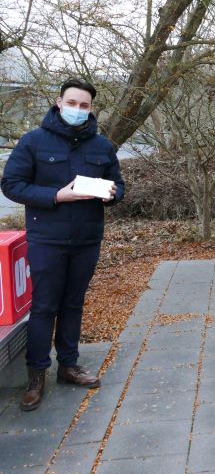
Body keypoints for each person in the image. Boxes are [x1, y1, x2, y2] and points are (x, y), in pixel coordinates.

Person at [1, 78, 124, 411]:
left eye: (84, 106)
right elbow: (11, 185)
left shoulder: (101, 146)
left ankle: (68, 366)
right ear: (59, 102)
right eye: (72, 103)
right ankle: (36, 375)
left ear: (91, 109)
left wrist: (112, 194)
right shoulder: (33, 142)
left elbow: (119, 186)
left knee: (74, 303)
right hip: (47, 239)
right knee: (44, 306)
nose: (78, 110)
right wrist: (56, 195)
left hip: (86, 239)